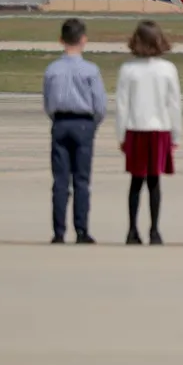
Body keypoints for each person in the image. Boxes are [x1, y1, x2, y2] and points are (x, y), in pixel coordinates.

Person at [115, 21, 182, 246]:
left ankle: (132, 230)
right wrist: (176, 135)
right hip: (159, 130)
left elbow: (122, 106)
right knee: (154, 182)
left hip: (135, 128)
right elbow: (174, 105)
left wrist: (121, 135)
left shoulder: (128, 69)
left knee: (136, 182)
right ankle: (154, 230)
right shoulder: (167, 69)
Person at [43, 18, 106, 244]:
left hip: (60, 123)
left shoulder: (53, 70)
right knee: (81, 180)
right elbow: (100, 105)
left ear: (61, 40)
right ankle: (81, 230)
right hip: (83, 123)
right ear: (84, 40)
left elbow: (48, 103)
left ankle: (59, 232)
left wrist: (56, 119)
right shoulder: (90, 70)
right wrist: (92, 125)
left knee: (60, 181)